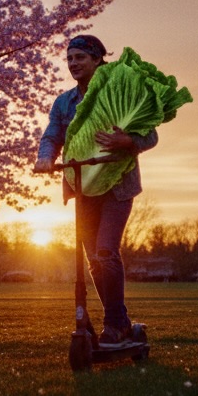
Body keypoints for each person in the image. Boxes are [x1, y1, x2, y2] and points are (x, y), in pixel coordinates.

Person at [33, 34, 157, 350]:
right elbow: (52, 136)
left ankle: (115, 323)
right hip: (83, 188)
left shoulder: (119, 94)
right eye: (70, 59)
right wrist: (45, 157)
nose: (74, 64)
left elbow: (150, 134)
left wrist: (128, 141)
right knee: (93, 262)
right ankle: (121, 323)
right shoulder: (64, 103)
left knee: (106, 252)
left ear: (98, 59)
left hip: (117, 185)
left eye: (80, 58)